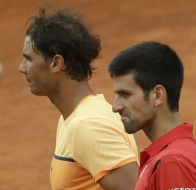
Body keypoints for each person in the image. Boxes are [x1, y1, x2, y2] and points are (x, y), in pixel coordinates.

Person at [19, 8, 139, 190]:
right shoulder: (74, 118)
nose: (22, 68)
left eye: (28, 59)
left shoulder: (88, 126)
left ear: (55, 63)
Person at [108, 41, 196, 190]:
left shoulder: (173, 162)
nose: (116, 107)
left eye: (125, 94)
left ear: (158, 95)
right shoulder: (176, 155)